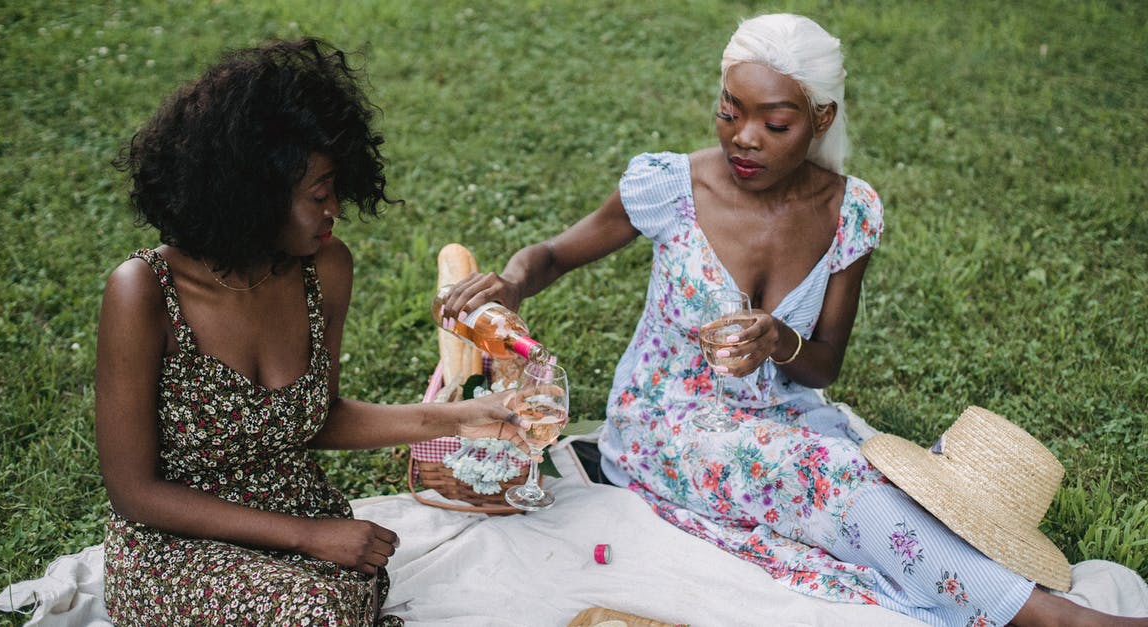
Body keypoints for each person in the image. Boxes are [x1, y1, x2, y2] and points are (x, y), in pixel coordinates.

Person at [440, 14, 1146, 627]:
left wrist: (780, 340)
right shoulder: (672, 185)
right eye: (728, 111)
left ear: (821, 119)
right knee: (832, 478)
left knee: (887, 483)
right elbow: (554, 255)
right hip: (666, 424)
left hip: (784, 416)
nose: (743, 137)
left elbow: (826, 363)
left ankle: (990, 591)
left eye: (773, 123)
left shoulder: (850, 213)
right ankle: (1048, 615)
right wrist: (511, 279)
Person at [96, 38, 528, 625]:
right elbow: (134, 490)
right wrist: (306, 536)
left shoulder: (322, 269)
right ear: (253, 193)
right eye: (319, 194)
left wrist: (464, 416)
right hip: (175, 542)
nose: (335, 211)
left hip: (309, 527)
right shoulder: (144, 291)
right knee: (312, 611)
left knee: (325, 601)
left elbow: (319, 415)